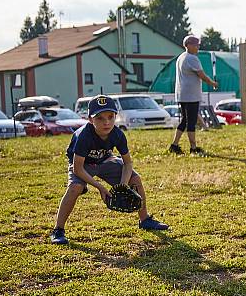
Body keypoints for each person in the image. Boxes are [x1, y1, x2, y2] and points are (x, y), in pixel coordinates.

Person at [50, 95, 168, 244]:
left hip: (105, 161)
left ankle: (144, 219)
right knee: (75, 187)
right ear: (90, 119)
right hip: (83, 165)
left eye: (110, 117)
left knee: (135, 179)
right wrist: (100, 187)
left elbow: (127, 163)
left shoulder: (117, 134)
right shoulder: (83, 135)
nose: (106, 122)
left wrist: (123, 185)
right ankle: (58, 230)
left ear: (115, 117)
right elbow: (78, 168)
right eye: (100, 118)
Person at [168, 35, 218, 156]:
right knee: (191, 122)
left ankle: (174, 145)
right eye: (196, 45)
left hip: (182, 94)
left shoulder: (181, 57)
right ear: (188, 45)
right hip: (191, 95)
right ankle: (193, 148)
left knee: (185, 120)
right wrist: (212, 83)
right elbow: (201, 74)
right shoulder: (192, 58)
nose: (198, 47)